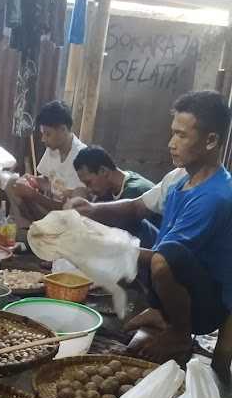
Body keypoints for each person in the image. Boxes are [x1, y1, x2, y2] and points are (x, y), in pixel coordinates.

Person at [68, 90, 232, 381]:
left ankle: (181, 333)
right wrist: (92, 210)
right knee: (136, 232)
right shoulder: (178, 177)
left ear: (211, 141)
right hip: (181, 288)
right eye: (172, 134)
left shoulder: (216, 196)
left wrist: (96, 245)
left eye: (181, 135)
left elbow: (164, 258)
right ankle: (160, 310)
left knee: (163, 259)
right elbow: (134, 207)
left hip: (207, 305)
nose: (171, 144)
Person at [8, 100, 87, 227]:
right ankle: (26, 227)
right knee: (12, 182)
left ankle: (35, 230)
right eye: (42, 133)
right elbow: (47, 181)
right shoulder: (53, 149)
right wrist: (32, 180)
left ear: (63, 129)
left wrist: (33, 195)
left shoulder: (82, 157)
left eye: (48, 134)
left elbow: (71, 210)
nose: (43, 139)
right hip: (48, 209)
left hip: (66, 218)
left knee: (67, 214)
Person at [72, 145, 154, 201]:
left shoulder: (134, 192)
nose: (89, 189)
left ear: (103, 171)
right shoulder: (108, 189)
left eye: (89, 183)